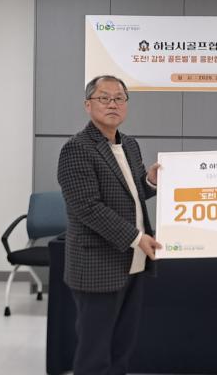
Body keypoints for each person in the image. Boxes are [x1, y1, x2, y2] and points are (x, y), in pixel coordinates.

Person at [57, 75, 162, 375]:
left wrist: (150, 181)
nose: (112, 104)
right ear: (88, 105)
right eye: (104, 98)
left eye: (119, 98)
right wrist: (137, 238)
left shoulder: (129, 145)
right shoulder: (76, 149)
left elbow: (134, 193)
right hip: (97, 266)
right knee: (95, 353)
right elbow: (87, 208)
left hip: (133, 262)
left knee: (121, 348)